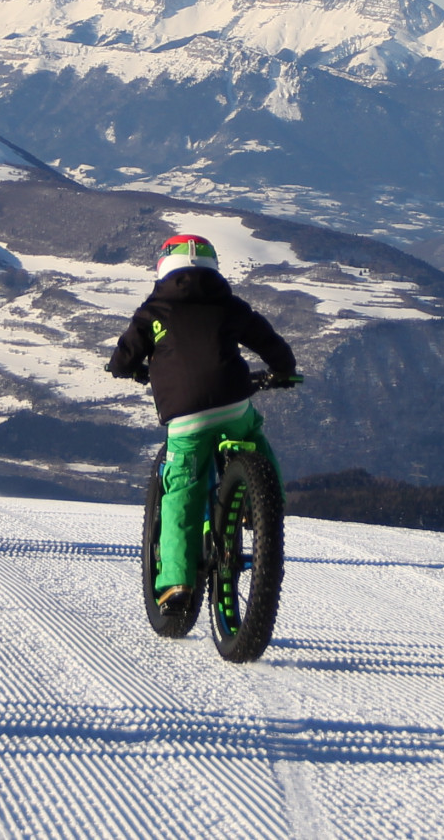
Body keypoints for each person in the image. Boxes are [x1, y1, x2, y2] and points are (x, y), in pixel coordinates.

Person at [107, 234, 299, 612]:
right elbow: (269, 342)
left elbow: (124, 357)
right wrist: (282, 371)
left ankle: (176, 586)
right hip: (232, 402)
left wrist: (125, 370)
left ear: (163, 267)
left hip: (187, 418)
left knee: (182, 492)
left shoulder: (153, 311)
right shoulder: (229, 305)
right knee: (253, 438)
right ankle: (263, 504)